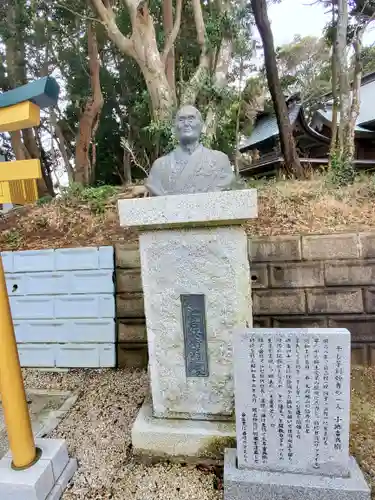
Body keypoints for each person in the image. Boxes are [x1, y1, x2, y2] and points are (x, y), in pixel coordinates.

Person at [145, 105, 236, 196]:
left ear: (201, 125)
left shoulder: (220, 161)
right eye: (181, 119)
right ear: (175, 128)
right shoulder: (160, 166)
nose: (186, 123)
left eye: (191, 118)